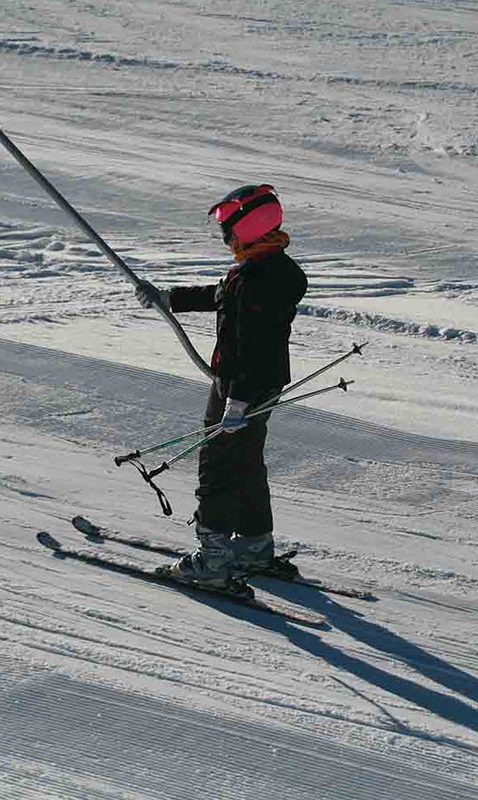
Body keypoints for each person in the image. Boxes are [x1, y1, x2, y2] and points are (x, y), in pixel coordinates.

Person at [135, 184, 308, 590]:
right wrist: (166, 297)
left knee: (218, 467)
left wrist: (236, 401)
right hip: (260, 387)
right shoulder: (268, 267)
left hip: (240, 388)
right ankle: (252, 544)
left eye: (228, 228)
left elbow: (251, 348)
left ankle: (212, 561)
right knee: (247, 463)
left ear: (249, 229)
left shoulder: (255, 282)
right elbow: (220, 295)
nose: (223, 236)